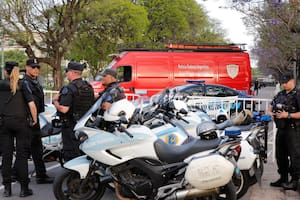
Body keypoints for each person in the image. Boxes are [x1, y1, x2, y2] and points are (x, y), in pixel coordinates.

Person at [0, 62, 34, 197]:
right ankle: (24, 189)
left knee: (6, 156)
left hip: (4, 123)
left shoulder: (1, 84)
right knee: (22, 156)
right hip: (21, 122)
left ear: (5, 71)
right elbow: (31, 105)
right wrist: (35, 119)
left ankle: (7, 189)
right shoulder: (23, 84)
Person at [18, 58, 54, 184]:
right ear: (27, 68)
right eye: (33, 67)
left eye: (37, 67)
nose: (36, 69)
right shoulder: (25, 82)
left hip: (34, 118)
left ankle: (40, 175)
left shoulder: (34, 82)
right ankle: (19, 175)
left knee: (36, 148)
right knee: (26, 149)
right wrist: (33, 119)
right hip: (28, 119)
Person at [52, 62, 94, 161]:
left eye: (67, 72)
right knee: (82, 151)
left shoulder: (69, 88)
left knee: (70, 153)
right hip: (84, 124)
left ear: (71, 72)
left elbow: (64, 109)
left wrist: (55, 101)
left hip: (70, 125)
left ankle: (71, 175)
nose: (66, 74)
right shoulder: (88, 87)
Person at [269, 73, 300, 192]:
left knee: (295, 156)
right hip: (281, 129)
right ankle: (283, 178)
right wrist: (270, 112)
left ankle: (294, 181)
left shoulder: (297, 94)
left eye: (286, 82)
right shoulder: (280, 94)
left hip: (293, 130)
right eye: (282, 82)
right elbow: (272, 105)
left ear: (292, 81)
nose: (284, 84)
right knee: (280, 155)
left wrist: (288, 115)